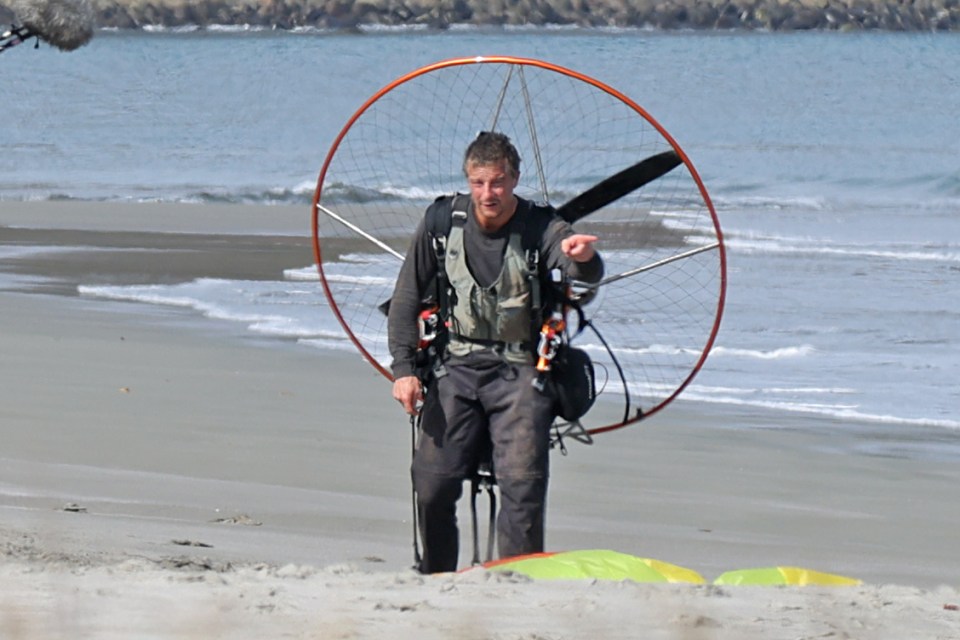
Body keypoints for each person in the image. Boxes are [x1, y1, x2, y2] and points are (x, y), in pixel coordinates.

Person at [387, 131, 603, 574]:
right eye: (480, 182)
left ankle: (515, 583)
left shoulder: (542, 226)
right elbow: (406, 299)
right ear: (468, 180)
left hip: (522, 371)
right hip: (455, 368)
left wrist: (583, 259)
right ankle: (437, 577)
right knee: (431, 483)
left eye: (499, 182)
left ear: (515, 179)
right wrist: (404, 370)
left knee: (522, 486)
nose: (489, 193)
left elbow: (582, 273)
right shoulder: (441, 222)